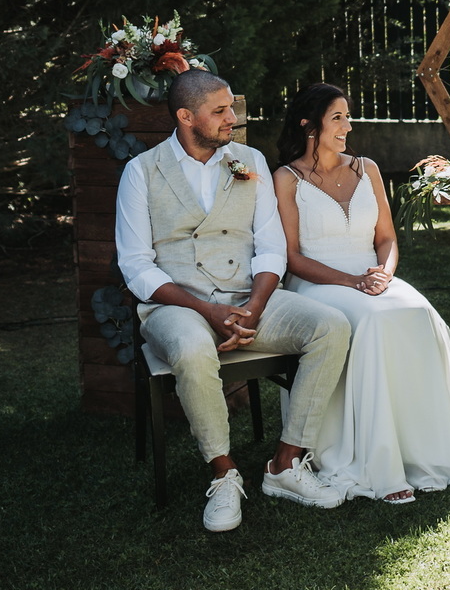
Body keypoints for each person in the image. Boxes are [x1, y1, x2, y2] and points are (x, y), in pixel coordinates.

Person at [116, 70, 353, 532]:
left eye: (231, 108)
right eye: (220, 111)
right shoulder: (141, 172)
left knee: (331, 326)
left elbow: (271, 246)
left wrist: (254, 308)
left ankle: (285, 463)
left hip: (249, 298)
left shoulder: (250, 160)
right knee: (191, 349)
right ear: (186, 117)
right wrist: (208, 312)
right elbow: (137, 267)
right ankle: (223, 473)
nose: (232, 118)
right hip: (177, 306)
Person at [273, 83, 450, 505]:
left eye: (347, 117)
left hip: (371, 274)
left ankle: (424, 442)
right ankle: (377, 457)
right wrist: (351, 282)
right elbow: (292, 257)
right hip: (318, 282)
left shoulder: (367, 168)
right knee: (374, 320)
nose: (347, 126)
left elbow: (387, 239)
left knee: (416, 309)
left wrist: (384, 274)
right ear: (309, 125)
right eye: (337, 118)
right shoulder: (287, 178)